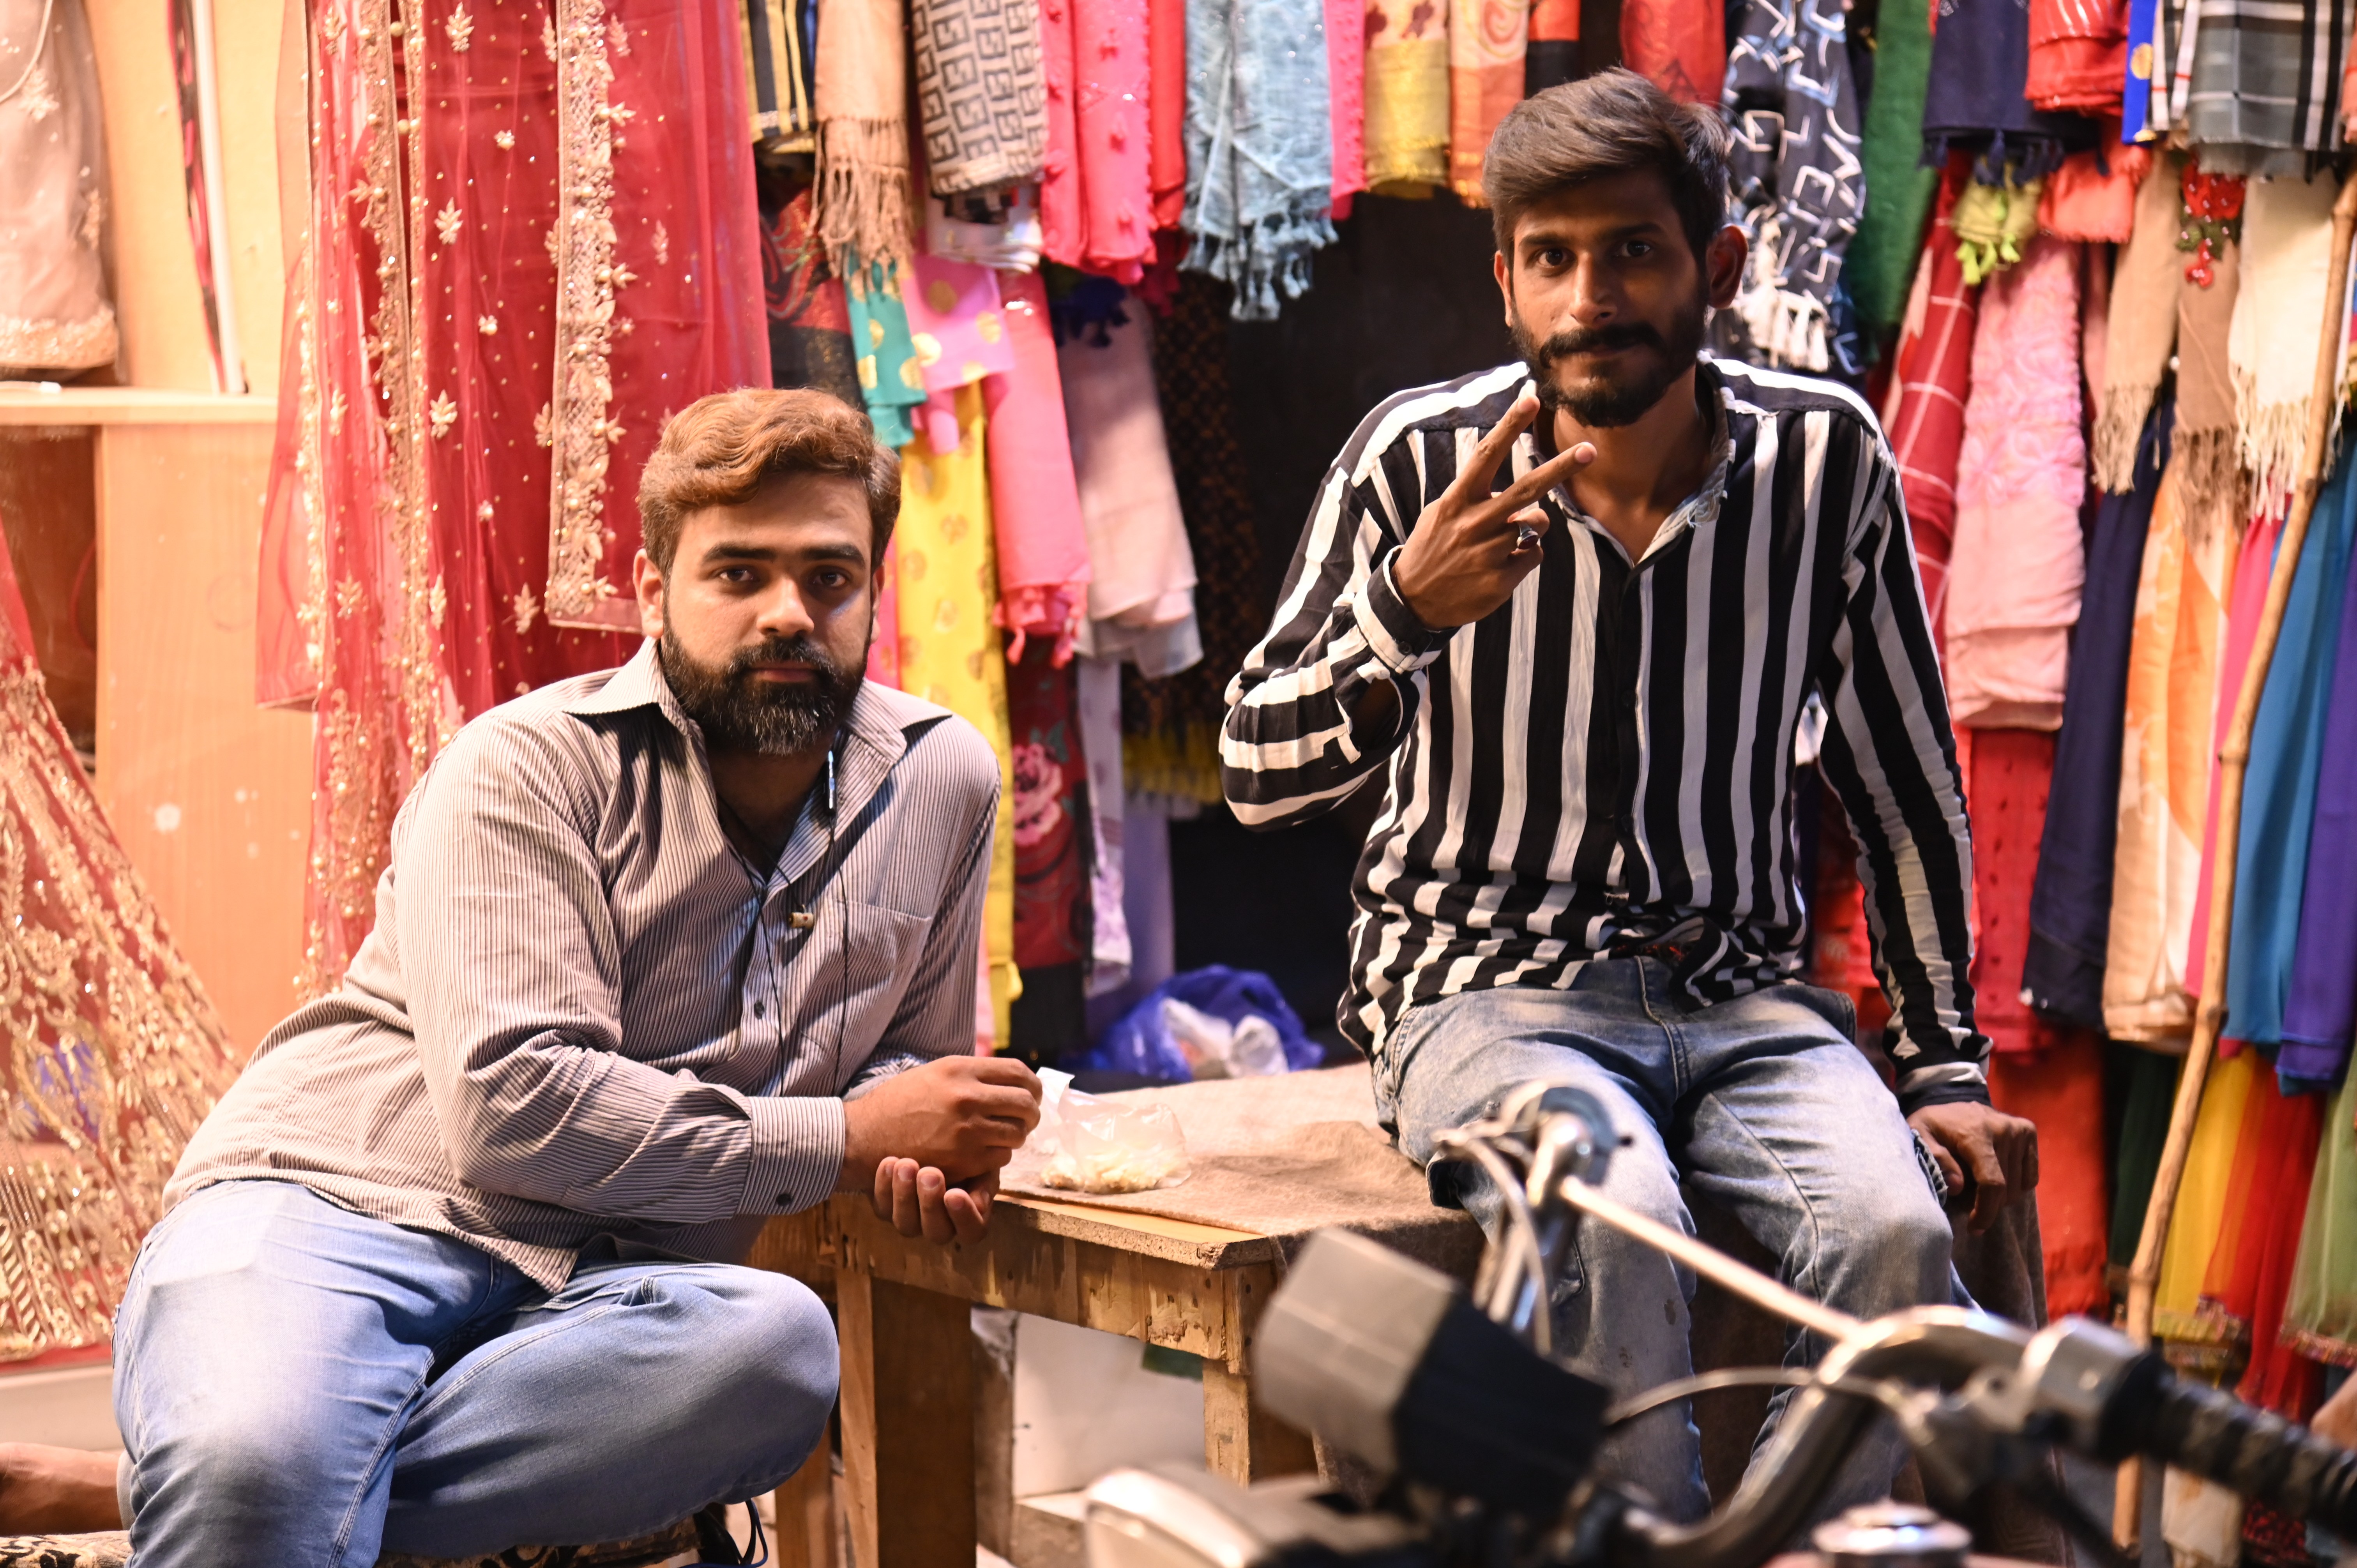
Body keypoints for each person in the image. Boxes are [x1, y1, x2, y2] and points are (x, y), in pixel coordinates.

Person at [1221, 70, 2035, 1521]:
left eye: (1632, 252)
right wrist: (1403, 616)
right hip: (1480, 994)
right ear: (1506, 284)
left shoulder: (1823, 460)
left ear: (1716, 266)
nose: (1589, 294)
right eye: (1551, 259)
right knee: (1612, 1211)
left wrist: (1945, 1063)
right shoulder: (1416, 460)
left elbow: (1904, 788)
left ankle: (1780, 1549)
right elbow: (1254, 772)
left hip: (1742, 1003)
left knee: (1900, 1249)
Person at [99, 388, 1042, 1566]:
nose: (789, 614)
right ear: (653, 595)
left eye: (830, 579)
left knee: (777, 1353)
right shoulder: (526, 764)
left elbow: (905, 1048)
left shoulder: (941, 778)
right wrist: (850, 1136)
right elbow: (513, 1109)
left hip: (620, 1295)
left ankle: (177, 1495)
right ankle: (237, 1485)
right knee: (253, 1461)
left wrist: (928, 1142)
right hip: (346, 1209)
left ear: (872, 590)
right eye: (738, 576)